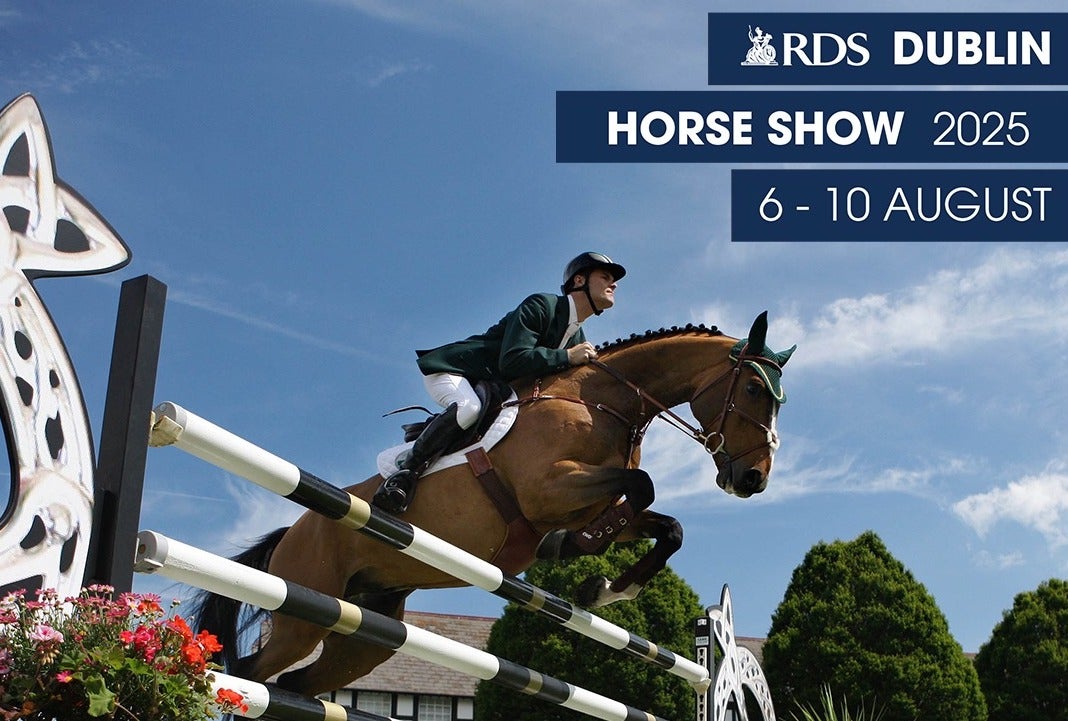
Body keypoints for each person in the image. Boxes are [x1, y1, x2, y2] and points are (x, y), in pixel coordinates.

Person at [373, 251, 626, 514]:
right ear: (579, 280)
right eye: (605, 276)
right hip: (457, 372)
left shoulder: (576, 336)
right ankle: (403, 475)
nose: (614, 284)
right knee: (468, 408)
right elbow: (513, 360)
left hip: (493, 389)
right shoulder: (542, 305)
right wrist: (566, 357)